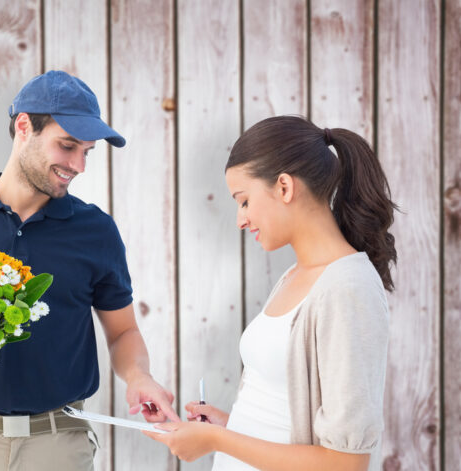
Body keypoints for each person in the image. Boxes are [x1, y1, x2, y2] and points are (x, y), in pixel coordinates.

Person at [0, 70, 179, 470]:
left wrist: (139, 377)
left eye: (87, 151)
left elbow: (123, 331)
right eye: (67, 147)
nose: (78, 165)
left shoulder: (95, 231)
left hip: (59, 444)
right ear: (24, 126)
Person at [144, 115, 396, 471]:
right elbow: (284, 420)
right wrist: (231, 427)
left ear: (284, 187)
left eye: (244, 201)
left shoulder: (347, 288)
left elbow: (345, 462)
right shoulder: (296, 275)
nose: (240, 220)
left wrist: (218, 440)